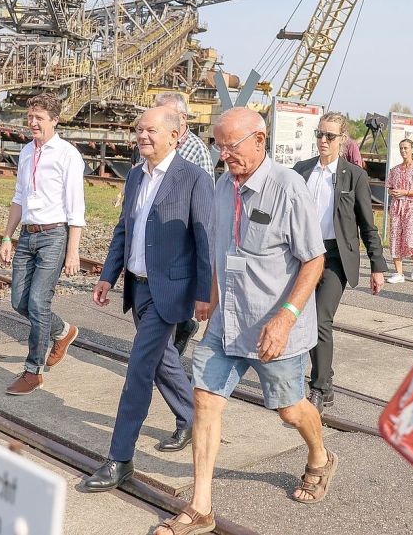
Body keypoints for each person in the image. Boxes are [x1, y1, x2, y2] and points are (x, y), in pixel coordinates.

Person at [155, 107, 332, 535]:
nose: (224, 154)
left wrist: (286, 319)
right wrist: (210, 297)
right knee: (206, 401)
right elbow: (221, 249)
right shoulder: (221, 187)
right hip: (227, 320)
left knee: (289, 411)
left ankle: (320, 457)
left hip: (273, 325)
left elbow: (314, 259)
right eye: (219, 145)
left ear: (260, 139)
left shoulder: (288, 188)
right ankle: (201, 507)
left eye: (232, 145)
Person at [83, 107, 214, 491]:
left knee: (139, 369)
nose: (142, 136)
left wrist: (204, 294)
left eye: (151, 130)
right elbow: (124, 229)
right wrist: (109, 275)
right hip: (138, 288)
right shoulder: (137, 175)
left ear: (175, 136)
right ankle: (193, 417)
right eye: (139, 129)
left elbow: (205, 240)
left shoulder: (194, 179)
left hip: (170, 291)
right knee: (162, 362)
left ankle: (119, 458)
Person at [294, 112, 388, 412]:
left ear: (342, 139)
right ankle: (325, 375)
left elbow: (367, 225)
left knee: (321, 319)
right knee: (300, 319)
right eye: (320, 134)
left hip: (335, 259)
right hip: (304, 255)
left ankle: (320, 388)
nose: (323, 140)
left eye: (330, 136)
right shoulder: (301, 170)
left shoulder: (354, 176)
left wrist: (377, 266)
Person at [0, 93, 85, 396]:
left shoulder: (68, 155)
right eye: (30, 116)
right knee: (19, 302)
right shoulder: (25, 152)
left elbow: (76, 208)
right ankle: (63, 331)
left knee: (38, 303)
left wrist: (72, 251)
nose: (32, 122)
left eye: (39, 118)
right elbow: (18, 198)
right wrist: (7, 236)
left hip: (53, 236)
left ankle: (33, 371)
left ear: (54, 120)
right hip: (27, 234)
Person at [154, 92, 215, 356]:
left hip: (182, 235)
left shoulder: (196, 150)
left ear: (183, 118)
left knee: (173, 296)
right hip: (158, 232)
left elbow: (205, 198)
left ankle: (173, 345)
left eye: (166, 116)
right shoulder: (155, 142)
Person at [385, 139, 413, 283]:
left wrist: (405, 192)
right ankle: (399, 273)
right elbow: (389, 188)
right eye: (401, 148)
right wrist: (394, 192)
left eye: (406, 148)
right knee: (395, 237)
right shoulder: (395, 170)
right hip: (396, 206)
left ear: (411, 149)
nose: (403, 151)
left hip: (411, 207)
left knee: (410, 237)